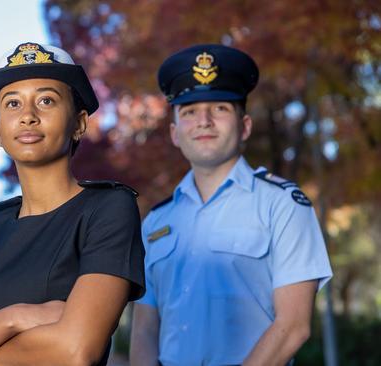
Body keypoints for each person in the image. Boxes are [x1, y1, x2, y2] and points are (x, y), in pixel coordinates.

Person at [0, 42, 145, 366]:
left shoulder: (107, 210)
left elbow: (76, 349)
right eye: (13, 103)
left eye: (46, 100)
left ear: (79, 123)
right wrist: (16, 318)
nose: (28, 116)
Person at [129, 44, 333, 366]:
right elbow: (143, 330)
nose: (204, 121)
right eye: (189, 111)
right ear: (175, 133)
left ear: (245, 126)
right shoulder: (155, 223)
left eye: (220, 108)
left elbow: (294, 326)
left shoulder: (282, 204)